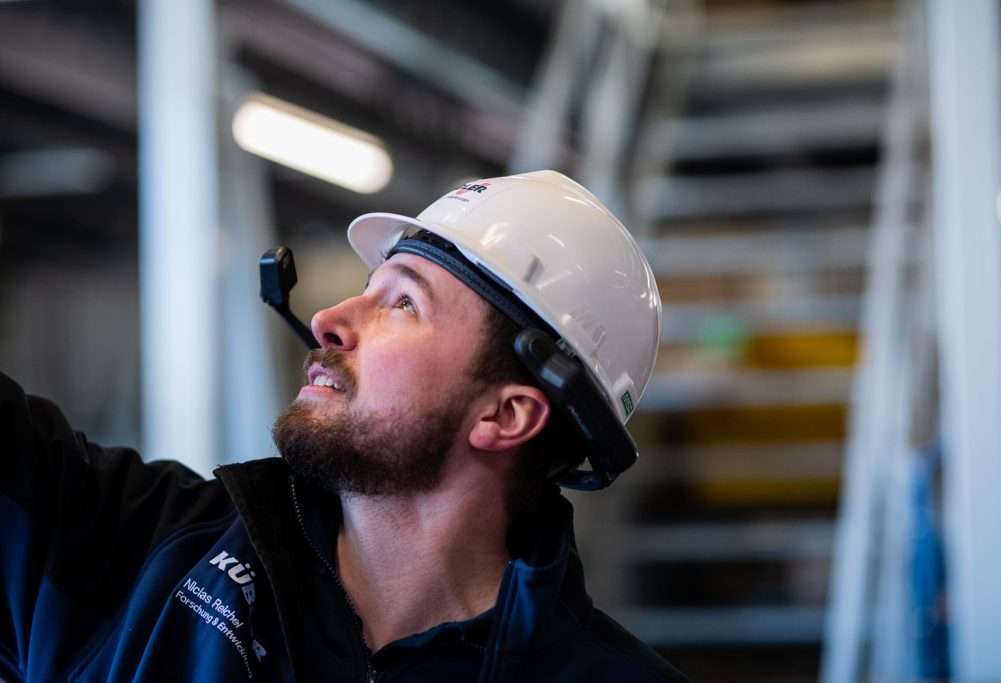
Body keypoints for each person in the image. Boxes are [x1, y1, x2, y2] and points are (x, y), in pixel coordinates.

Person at [0, 170, 687, 681]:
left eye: (402, 304)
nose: (330, 317)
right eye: (368, 287)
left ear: (505, 414)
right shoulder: (124, 545)